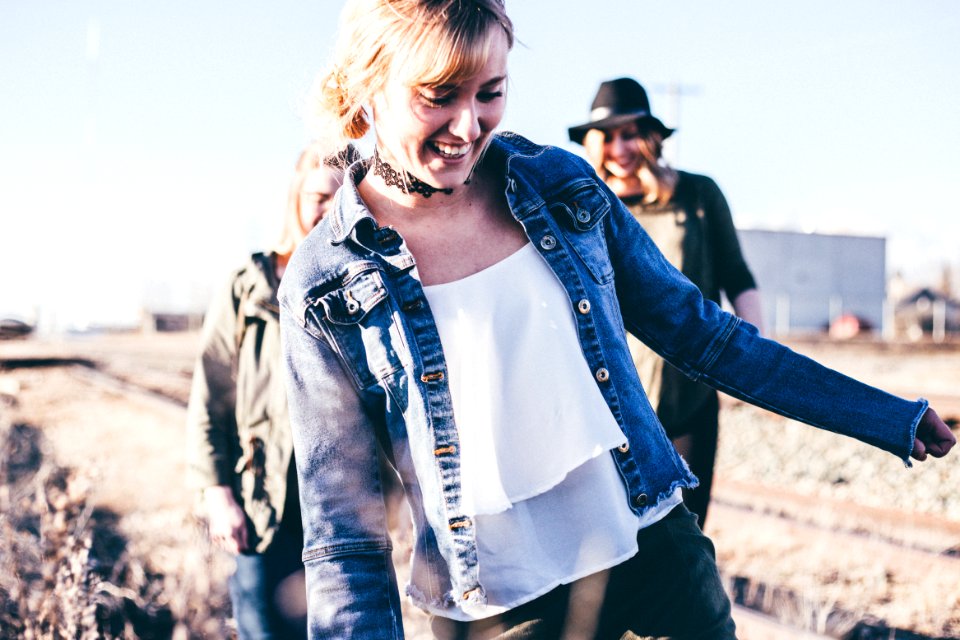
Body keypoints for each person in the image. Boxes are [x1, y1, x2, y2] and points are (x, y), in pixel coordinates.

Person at [278, 1, 956, 638]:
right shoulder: (324, 283)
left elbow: (704, 335)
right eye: (439, 95)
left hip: (654, 557)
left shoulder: (559, 187)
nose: (468, 127)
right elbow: (345, 531)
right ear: (367, 84)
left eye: (489, 92)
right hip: (500, 611)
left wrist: (879, 414)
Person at [569, 77, 762, 528]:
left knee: (688, 530)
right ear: (593, 143)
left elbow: (737, 275)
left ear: (652, 137)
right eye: (608, 135)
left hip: (688, 393)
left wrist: (753, 358)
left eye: (631, 132)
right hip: (606, 396)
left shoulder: (697, 196)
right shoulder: (579, 207)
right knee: (617, 536)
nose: (620, 147)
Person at [186, 141, 346, 639]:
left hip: (340, 511)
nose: (329, 211)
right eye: (319, 195)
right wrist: (216, 493)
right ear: (296, 196)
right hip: (263, 503)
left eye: (342, 200)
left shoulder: (362, 287)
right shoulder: (247, 287)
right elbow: (209, 397)